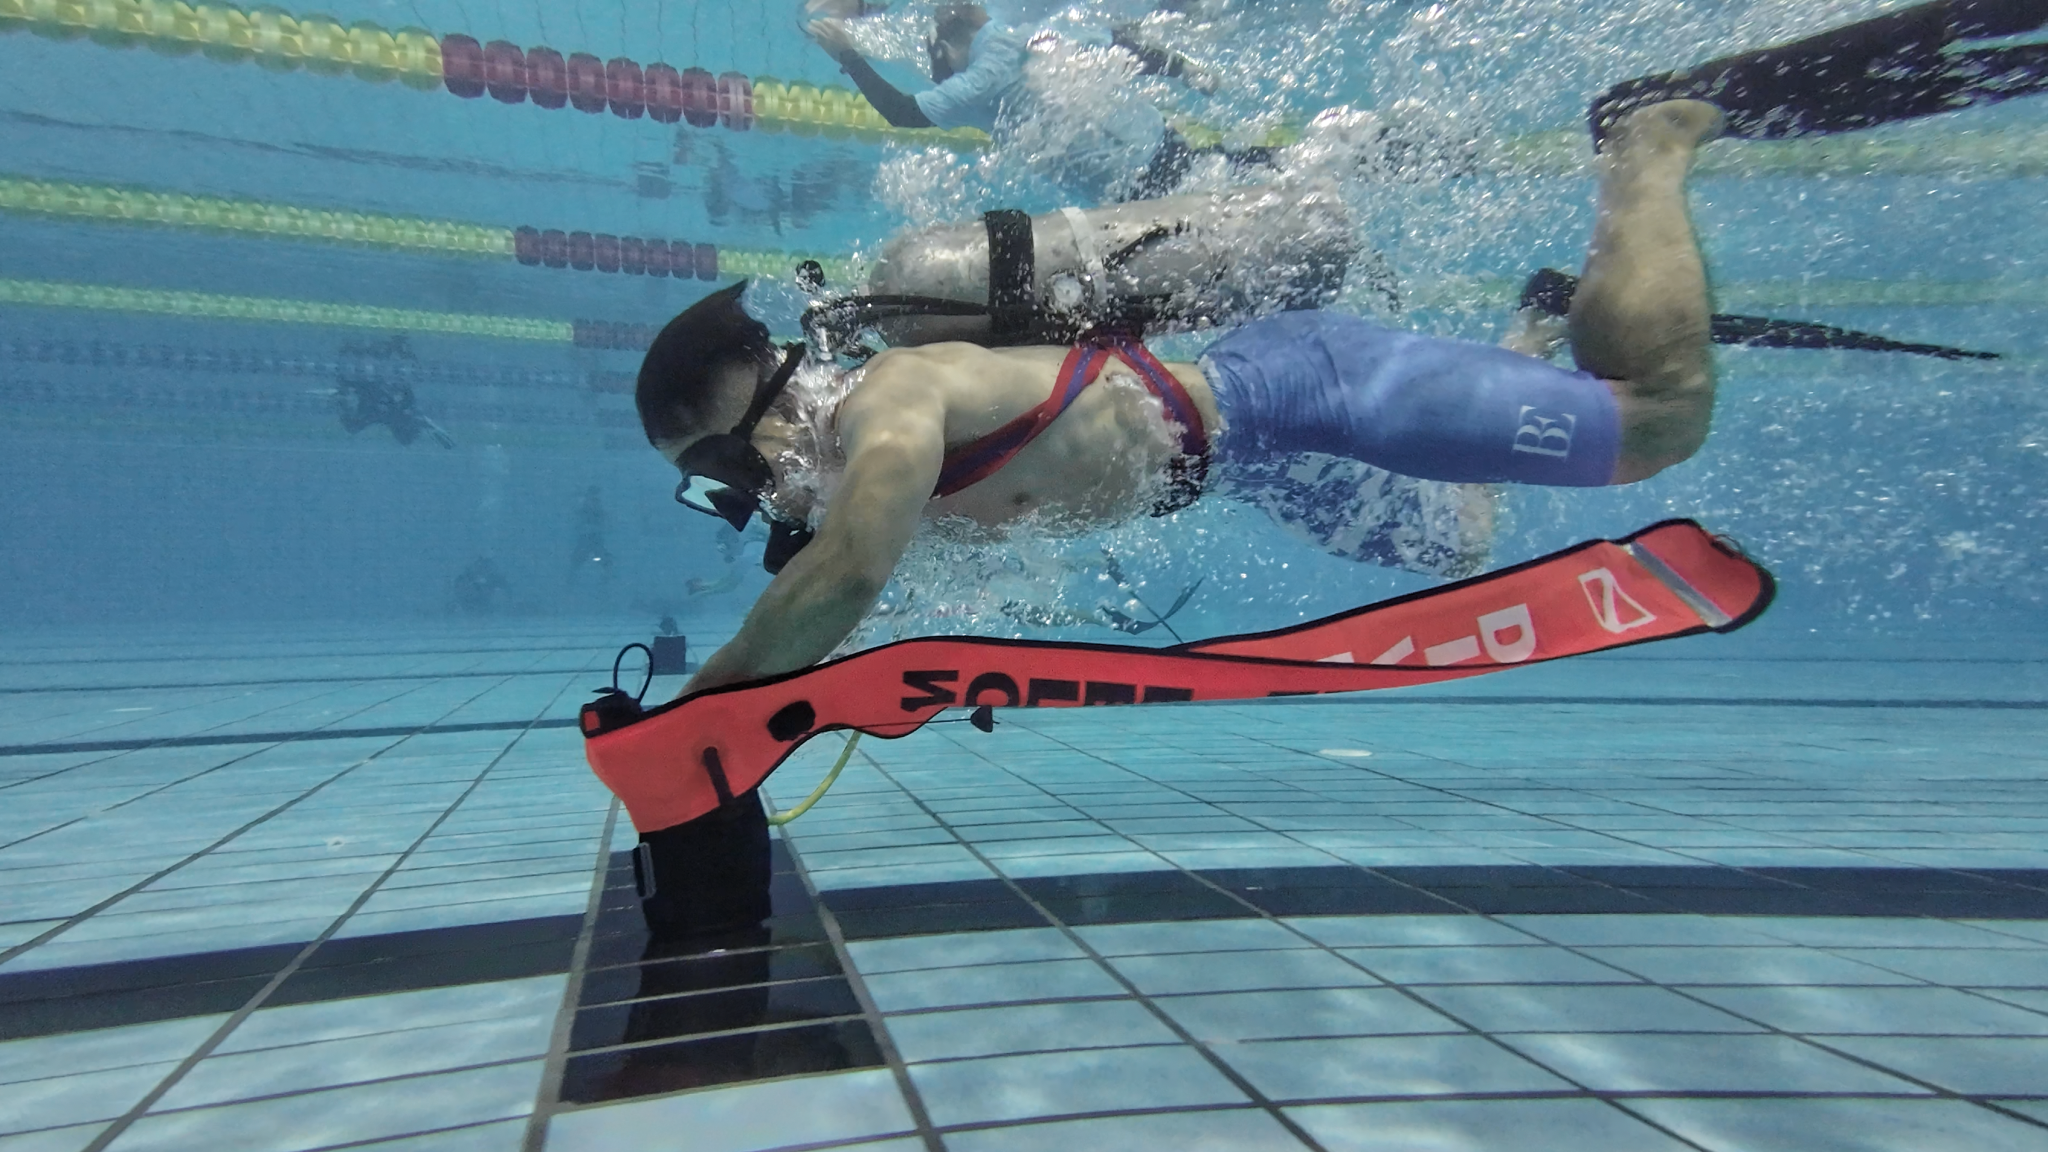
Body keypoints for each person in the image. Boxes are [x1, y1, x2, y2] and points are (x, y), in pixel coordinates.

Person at [638, 97, 1726, 694]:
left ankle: (1644, 140)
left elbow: (847, 576)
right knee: (1462, 544)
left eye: (722, 472)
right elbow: (850, 601)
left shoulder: (894, 397)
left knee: (1656, 419)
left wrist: (702, 705)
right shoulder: (864, 472)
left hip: (1306, 390)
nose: (740, 501)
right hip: (1255, 467)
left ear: (777, 395)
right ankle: (1531, 325)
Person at [804, 2, 1257, 201]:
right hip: (1163, 142)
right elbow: (1126, 48)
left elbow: (900, 112)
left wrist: (848, 56)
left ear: (947, 46)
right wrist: (1190, 74)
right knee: (1238, 172)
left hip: (1132, 189)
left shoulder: (978, 83)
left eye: (936, 58)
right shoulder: (1031, 33)